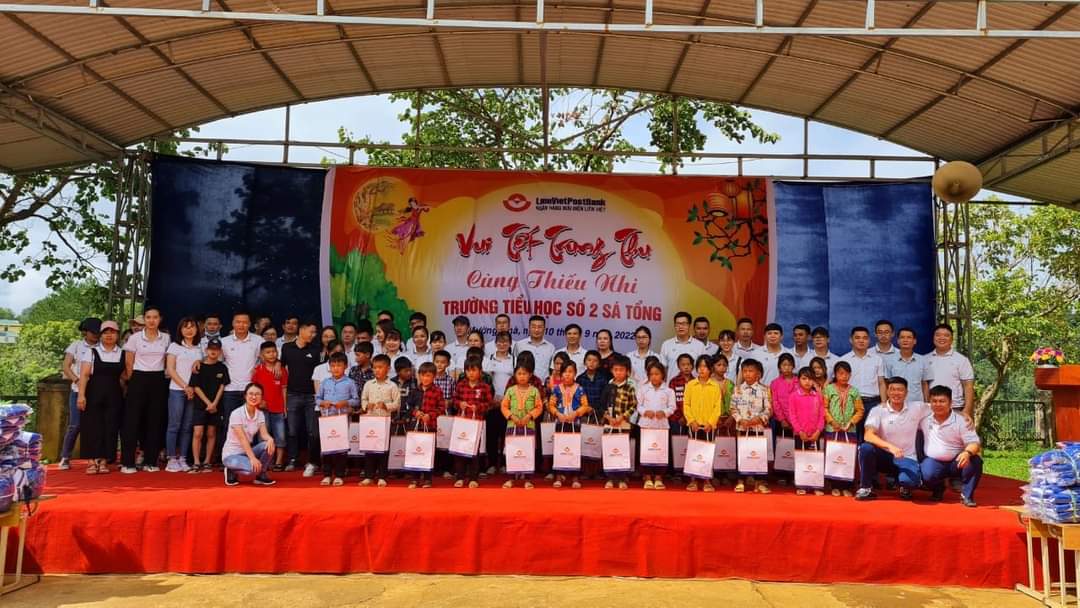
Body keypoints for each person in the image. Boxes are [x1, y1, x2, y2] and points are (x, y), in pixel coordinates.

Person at [855, 377, 928, 502]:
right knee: (866, 448)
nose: (896, 393)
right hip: (885, 457)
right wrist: (891, 447)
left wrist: (962, 413)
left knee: (910, 482)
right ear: (887, 392)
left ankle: (904, 484)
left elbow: (941, 409)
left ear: (906, 392)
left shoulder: (918, 407)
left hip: (907, 457)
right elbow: (868, 435)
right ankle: (866, 487)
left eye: (900, 390)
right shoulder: (878, 410)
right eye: (892, 389)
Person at [122, 306, 171, 473]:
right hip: (138, 378)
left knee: (155, 421)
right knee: (132, 421)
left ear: (160, 319)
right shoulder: (135, 338)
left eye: (155, 317)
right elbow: (128, 362)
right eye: (148, 317)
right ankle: (127, 462)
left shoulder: (166, 338)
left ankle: (151, 461)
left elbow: (167, 360)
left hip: (158, 379)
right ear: (145, 319)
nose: (151, 321)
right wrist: (133, 380)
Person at [920, 385, 982, 507]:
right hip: (934, 462)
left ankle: (967, 495)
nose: (938, 404)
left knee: (975, 460)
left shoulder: (962, 421)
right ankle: (938, 488)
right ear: (930, 403)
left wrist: (967, 453)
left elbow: (975, 443)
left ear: (950, 403)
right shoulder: (924, 419)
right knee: (927, 473)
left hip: (957, 462)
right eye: (934, 401)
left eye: (942, 401)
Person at [76, 320, 123, 475]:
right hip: (93, 393)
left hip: (114, 394)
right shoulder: (91, 352)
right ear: (101, 335)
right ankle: (91, 460)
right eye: (105, 332)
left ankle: (104, 460)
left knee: (110, 426)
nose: (109, 336)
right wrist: (81, 395)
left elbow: (124, 376)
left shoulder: (122, 353)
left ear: (117, 335)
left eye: (112, 332)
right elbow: (84, 375)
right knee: (92, 426)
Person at [219, 312, 263, 460]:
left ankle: (252, 458)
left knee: (252, 426)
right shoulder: (224, 342)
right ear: (233, 323)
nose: (241, 325)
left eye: (244, 322)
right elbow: (216, 360)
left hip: (250, 391)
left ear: (249, 324)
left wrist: (276, 363)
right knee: (230, 425)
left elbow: (267, 358)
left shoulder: (258, 340)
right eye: (238, 322)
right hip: (230, 390)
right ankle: (228, 458)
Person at [281, 320, 322, 475]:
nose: (313, 335)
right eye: (311, 331)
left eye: (315, 332)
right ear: (302, 330)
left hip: (311, 396)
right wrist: (278, 364)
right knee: (292, 430)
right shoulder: (287, 347)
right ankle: (292, 459)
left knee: (312, 431)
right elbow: (281, 366)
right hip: (292, 394)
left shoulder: (315, 349)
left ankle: (312, 461)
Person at [60, 317, 101, 470]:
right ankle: (65, 456)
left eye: (98, 332)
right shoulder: (76, 345)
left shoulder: (103, 346)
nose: (96, 335)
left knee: (96, 425)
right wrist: (77, 380)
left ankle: (96, 456)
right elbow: (66, 366)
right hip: (77, 390)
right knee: (75, 425)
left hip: (96, 390)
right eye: (93, 332)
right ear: (85, 332)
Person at [315, 352, 359, 486]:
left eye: (339, 365)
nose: (336, 368)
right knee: (327, 447)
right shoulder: (325, 382)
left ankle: (339, 474)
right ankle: (327, 474)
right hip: (327, 418)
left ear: (345, 366)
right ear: (329, 367)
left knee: (341, 447)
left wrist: (346, 403)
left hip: (342, 419)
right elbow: (317, 399)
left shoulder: (350, 382)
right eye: (333, 366)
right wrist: (323, 403)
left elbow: (356, 400)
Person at [164, 317, 202, 472]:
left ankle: (183, 458)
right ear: (180, 330)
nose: (189, 330)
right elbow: (170, 370)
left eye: (192, 327)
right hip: (177, 390)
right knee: (174, 425)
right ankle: (171, 458)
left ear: (197, 329)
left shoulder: (200, 347)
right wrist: (185, 386)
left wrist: (200, 362)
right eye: (185, 327)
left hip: (194, 391)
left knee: (187, 427)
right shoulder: (174, 346)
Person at [730, 358, 773, 494]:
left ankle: (759, 482)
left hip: (757, 428)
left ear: (758, 374)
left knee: (758, 454)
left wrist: (759, 419)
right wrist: (740, 419)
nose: (747, 374)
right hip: (742, 428)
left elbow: (768, 409)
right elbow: (732, 408)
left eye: (751, 371)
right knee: (742, 454)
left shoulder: (765, 390)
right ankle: (741, 481)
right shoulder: (737, 389)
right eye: (745, 371)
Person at [222, 382, 276, 486]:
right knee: (252, 469)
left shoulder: (260, 414)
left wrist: (270, 439)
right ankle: (230, 469)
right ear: (245, 396)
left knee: (269, 444)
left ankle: (261, 474)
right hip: (231, 455)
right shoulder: (236, 413)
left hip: (246, 452)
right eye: (251, 394)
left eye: (257, 394)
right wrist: (252, 458)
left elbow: (264, 434)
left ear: (261, 397)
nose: (254, 397)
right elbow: (243, 439)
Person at [683, 354, 724, 492]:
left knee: (707, 452)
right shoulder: (690, 385)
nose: (702, 369)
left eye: (705, 367)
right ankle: (693, 480)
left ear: (710, 369)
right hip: (694, 425)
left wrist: (711, 423)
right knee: (693, 452)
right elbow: (686, 405)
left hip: (708, 426)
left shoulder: (715, 386)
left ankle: (707, 480)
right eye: (699, 366)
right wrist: (691, 420)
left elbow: (717, 407)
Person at [188, 338, 230, 473]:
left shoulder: (222, 367)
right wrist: (208, 403)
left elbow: (222, 386)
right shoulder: (198, 366)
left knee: (211, 433)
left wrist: (214, 403)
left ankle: (207, 462)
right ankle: (196, 462)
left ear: (220, 352)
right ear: (206, 350)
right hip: (200, 405)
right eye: (211, 349)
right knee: (198, 433)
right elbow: (195, 387)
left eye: (216, 349)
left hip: (216, 406)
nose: (213, 352)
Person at [822, 361, 864, 496]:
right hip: (832, 429)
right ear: (835, 374)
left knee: (847, 457)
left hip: (849, 430)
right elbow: (824, 408)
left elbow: (860, 410)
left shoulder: (854, 391)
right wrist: (832, 421)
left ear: (850, 375)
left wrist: (851, 423)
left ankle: (846, 486)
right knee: (833, 456)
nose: (844, 376)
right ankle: (834, 485)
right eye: (841, 373)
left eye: (847, 374)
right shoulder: (828, 389)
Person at [501, 361, 544, 489]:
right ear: (515, 375)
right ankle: (511, 478)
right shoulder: (510, 390)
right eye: (519, 374)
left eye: (524, 374)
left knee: (527, 452)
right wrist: (511, 416)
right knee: (512, 451)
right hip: (512, 425)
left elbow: (539, 407)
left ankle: (528, 479)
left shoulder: (534, 391)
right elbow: (504, 406)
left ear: (530, 375)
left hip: (529, 425)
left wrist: (529, 416)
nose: (522, 376)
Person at [360, 353, 401, 487]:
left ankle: (382, 476)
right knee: (369, 449)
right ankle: (369, 476)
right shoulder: (368, 384)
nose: (377, 370)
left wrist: (386, 406)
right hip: (370, 421)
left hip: (384, 422)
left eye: (380, 367)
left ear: (388, 369)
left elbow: (397, 404)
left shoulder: (392, 386)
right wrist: (366, 406)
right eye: (374, 367)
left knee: (383, 450)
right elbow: (363, 399)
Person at [549, 360, 590, 489]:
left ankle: (575, 476)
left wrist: (576, 413)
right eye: (565, 372)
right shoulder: (557, 389)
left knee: (574, 449)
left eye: (570, 372)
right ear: (561, 374)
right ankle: (558, 476)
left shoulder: (580, 389)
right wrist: (557, 413)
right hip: (560, 422)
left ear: (575, 373)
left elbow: (585, 405)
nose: (567, 374)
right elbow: (551, 405)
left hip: (575, 423)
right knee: (559, 449)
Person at [840, 326, 885, 441]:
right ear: (851, 340)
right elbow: (839, 384)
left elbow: (881, 383)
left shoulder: (877, 359)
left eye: (865, 338)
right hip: (851, 403)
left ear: (869, 340)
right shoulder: (843, 360)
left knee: (871, 437)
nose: (861, 340)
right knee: (851, 437)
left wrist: (884, 403)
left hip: (873, 403)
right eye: (857, 338)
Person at [922, 323, 976, 419]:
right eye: (938, 335)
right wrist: (927, 406)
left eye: (946, 335)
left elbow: (968, 386)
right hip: (932, 409)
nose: (941, 338)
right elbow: (924, 385)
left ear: (951, 339)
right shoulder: (925, 359)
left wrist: (967, 410)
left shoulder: (961, 360)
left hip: (955, 408)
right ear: (933, 338)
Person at [598, 355, 636, 490]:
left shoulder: (629, 388)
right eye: (616, 370)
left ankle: (622, 478)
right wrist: (608, 417)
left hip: (623, 424)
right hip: (609, 424)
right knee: (610, 450)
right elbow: (601, 405)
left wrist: (623, 417)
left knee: (622, 451)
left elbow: (633, 405)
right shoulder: (608, 387)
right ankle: (610, 477)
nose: (618, 372)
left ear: (627, 371)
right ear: (612, 371)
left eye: (621, 370)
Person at [453, 360, 492, 488]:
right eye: (468, 370)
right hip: (462, 423)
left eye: (474, 370)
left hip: (476, 423)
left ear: (480, 371)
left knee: (474, 451)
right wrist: (460, 404)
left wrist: (478, 407)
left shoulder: (484, 387)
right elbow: (454, 400)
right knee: (460, 450)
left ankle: (473, 478)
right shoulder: (461, 385)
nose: (471, 373)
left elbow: (489, 404)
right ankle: (460, 477)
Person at [637, 362, 676, 490]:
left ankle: (659, 477)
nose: (654, 377)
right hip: (646, 425)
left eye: (657, 374)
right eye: (651, 374)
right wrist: (644, 412)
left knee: (660, 452)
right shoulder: (643, 389)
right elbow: (638, 405)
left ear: (663, 375)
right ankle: (647, 477)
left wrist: (664, 412)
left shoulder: (669, 391)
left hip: (662, 426)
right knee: (646, 452)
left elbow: (672, 407)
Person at [787, 367, 826, 496]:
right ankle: (801, 484)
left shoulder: (818, 396)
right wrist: (799, 431)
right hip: (800, 434)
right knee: (801, 459)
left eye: (810, 379)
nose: (807, 382)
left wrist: (818, 431)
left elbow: (822, 415)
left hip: (815, 434)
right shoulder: (794, 396)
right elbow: (792, 415)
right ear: (798, 380)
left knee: (815, 459)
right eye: (804, 378)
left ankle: (816, 485)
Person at [251, 340, 288, 471]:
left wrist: (285, 407)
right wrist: (258, 402)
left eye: (274, 352)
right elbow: (253, 390)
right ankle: (265, 461)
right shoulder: (257, 371)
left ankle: (278, 462)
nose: (272, 354)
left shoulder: (281, 370)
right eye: (268, 352)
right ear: (262, 355)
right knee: (263, 436)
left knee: (280, 435)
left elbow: (284, 389)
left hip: (278, 408)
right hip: (262, 410)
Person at [410, 361, 446, 489]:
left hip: (430, 426)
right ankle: (414, 478)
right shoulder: (414, 391)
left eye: (428, 376)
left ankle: (427, 479)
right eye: (422, 375)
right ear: (419, 375)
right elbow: (408, 406)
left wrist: (430, 415)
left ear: (434, 377)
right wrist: (416, 413)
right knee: (415, 451)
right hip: (416, 426)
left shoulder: (437, 391)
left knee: (428, 453)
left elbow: (441, 408)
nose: (425, 378)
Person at [483, 331, 514, 474]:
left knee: (506, 434)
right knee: (492, 435)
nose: (502, 344)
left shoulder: (514, 360)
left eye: (505, 341)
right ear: (495, 344)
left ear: (510, 343)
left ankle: (505, 464)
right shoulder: (488, 360)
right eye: (499, 342)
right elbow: (486, 382)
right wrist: (492, 399)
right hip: (493, 403)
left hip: (509, 403)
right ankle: (492, 464)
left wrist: (506, 399)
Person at [769, 352, 798, 485]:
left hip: (798, 422)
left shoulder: (799, 381)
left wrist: (795, 420)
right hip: (781, 421)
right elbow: (775, 402)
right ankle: (781, 474)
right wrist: (782, 419)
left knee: (796, 447)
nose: (786, 368)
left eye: (789, 365)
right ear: (779, 367)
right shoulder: (775, 383)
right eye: (784, 365)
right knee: (781, 448)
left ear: (793, 366)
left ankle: (795, 474)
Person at [660, 311, 704, 381]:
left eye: (684, 324)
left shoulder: (699, 346)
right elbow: (662, 369)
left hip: (694, 386)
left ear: (689, 325)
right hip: (672, 386)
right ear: (674, 326)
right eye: (678, 324)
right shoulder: (666, 345)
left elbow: (703, 369)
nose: (680, 327)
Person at [886, 327, 926, 404]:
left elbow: (924, 384)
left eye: (909, 337)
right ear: (898, 341)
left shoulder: (922, 360)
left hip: (917, 403)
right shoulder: (889, 360)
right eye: (902, 337)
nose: (905, 340)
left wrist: (926, 403)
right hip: (896, 403)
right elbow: (886, 383)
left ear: (914, 341)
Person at [514, 315, 556, 382]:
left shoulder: (551, 347)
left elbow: (553, 370)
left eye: (540, 327)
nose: (536, 330)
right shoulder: (519, 345)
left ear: (544, 328)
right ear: (529, 328)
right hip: (524, 384)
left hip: (543, 385)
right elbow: (515, 367)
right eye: (533, 327)